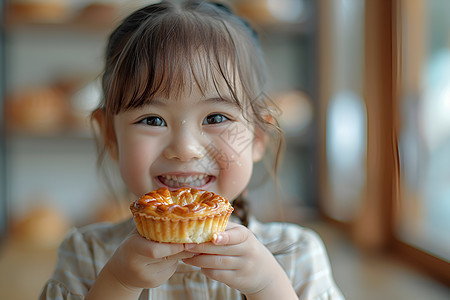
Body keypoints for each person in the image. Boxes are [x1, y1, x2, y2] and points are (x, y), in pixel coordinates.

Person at [40, 1, 344, 299]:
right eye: (153, 120)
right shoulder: (85, 256)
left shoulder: (297, 257)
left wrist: (268, 287)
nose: (185, 150)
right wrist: (118, 283)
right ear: (111, 137)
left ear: (258, 137)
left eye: (215, 118)